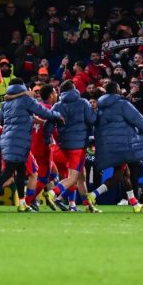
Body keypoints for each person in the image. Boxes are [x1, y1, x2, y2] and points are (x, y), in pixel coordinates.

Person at [0, 78, 62, 213]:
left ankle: (22, 203)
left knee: (21, 171)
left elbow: (5, 121)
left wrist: (30, 119)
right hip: (19, 140)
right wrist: (57, 115)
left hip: (8, 139)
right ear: (22, 86)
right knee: (8, 171)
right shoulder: (26, 100)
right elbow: (43, 112)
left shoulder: (6, 103)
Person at [89, 81, 143, 213]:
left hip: (107, 146)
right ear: (116, 90)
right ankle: (92, 196)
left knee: (125, 173)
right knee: (119, 175)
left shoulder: (100, 106)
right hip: (121, 145)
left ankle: (134, 204)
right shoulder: (122, 104)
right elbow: (139, 120)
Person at [48, 79, 96, 209]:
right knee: (73, 178)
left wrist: (48, 139)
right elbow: (92, 120)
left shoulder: (57, 106)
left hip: (63, 145)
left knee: (81, 176)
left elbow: (50, 124)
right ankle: (53, 193)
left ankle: (88, 206)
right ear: (74, 89)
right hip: (78, 146)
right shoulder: (83, 103)